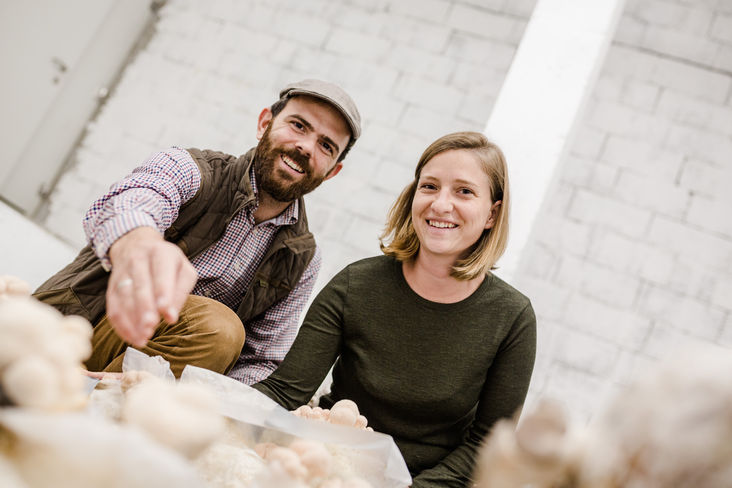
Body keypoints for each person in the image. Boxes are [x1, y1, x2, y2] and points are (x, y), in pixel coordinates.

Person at [252, 131, 537, 486]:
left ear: (492, 214)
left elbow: (486, 447)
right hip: (329, 465)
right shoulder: (357, 284)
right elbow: (285, 392)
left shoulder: (512, 317)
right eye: (430, 186)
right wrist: (209, 407)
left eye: (463, 191)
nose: (440, 204)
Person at [33, 79, 361, 384]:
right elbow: (128, 204)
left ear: (332, 171)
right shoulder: (192, 170)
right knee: (220, 327)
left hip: (157, 382)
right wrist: (140, 245)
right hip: (76, 330)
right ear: (264, 124)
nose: (306, 147)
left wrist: (202, 401)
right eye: (299, 125)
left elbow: (260, 361)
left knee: (221, 332)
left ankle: (106, 405)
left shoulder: (304, 259)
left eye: (326, 146)